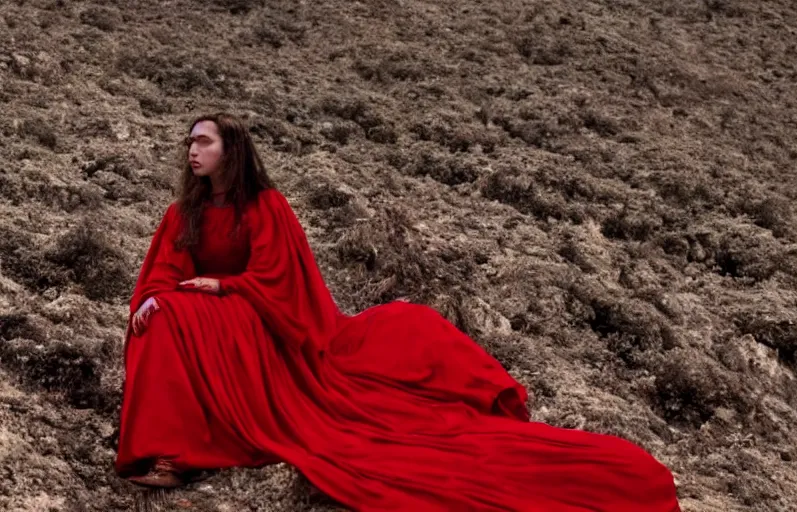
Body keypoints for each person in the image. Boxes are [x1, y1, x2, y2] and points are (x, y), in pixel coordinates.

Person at [115, 112, 682, 512]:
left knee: (184, 314)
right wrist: (156, 295)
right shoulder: (182, 210)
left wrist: (220, 285)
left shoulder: (266, 206)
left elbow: (277, 282)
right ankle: (170, 450)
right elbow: (165, 267)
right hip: (212, 306)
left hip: (258, 318)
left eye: (205, 142)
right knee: (157, 316)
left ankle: (182, 450)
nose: (193, 150)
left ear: (230, 151)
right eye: (190, 141)